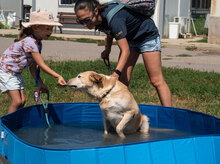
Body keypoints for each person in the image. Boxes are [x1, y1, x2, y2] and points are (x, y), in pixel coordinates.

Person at [74, 0, 172, 107]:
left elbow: (125, 50)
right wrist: (108, 49)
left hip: (146, 36)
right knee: (123, 82)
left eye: (87, 20)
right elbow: (110, 31)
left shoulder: (114, 18)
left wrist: (116, 73)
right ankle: (126, 113)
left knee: (156, 81)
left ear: (96, 11)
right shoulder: (96, 20)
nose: (85, 24)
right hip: (130, 39)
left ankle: (170, 115)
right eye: (80, 22)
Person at [0, 10, 67, 114]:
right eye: (47, 28)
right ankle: (4, 128)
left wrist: (40, 84)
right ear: (36, 27)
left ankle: (16, 123)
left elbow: (33, 68)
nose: (50, 32)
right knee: (17, 101)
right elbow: (41, 64)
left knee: (22, 101)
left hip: (15, 73)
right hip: (6, 71)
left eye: (52, 28)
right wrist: (57, 76)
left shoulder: (38, 44)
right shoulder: (30, 42)